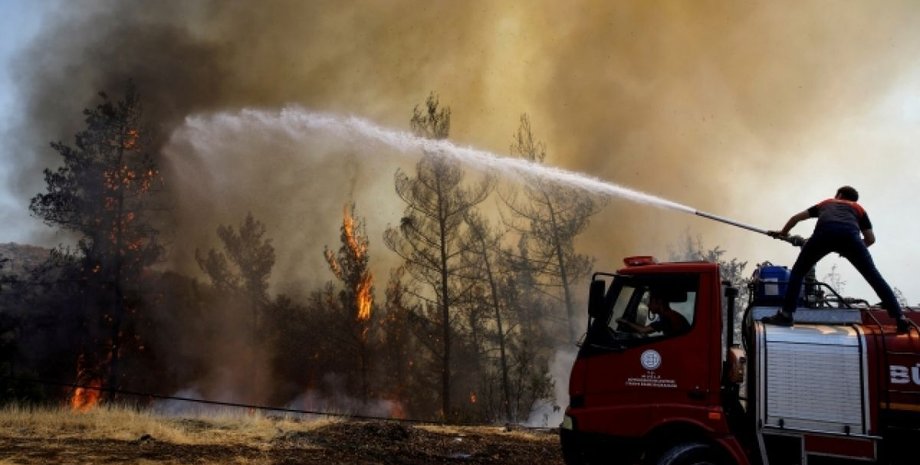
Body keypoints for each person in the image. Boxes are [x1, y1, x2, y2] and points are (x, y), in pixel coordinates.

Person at [762, 186, 910, 333]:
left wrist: (783, 233)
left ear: (839, 195)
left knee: (798, 273)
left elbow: (796, 218)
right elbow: (870, 239)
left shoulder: (827, 203)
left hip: (823, 236)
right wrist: (850, 250)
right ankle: (900, 318)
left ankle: (786, 315)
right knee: (874, 276)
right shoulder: (859, 209)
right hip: (851, 239)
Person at [617, 291, 690, 336]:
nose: (648, 305)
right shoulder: (671, 315)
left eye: (651, 301)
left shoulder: (666, 318)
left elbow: (644, 330)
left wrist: (626, 322)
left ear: (659, 301)